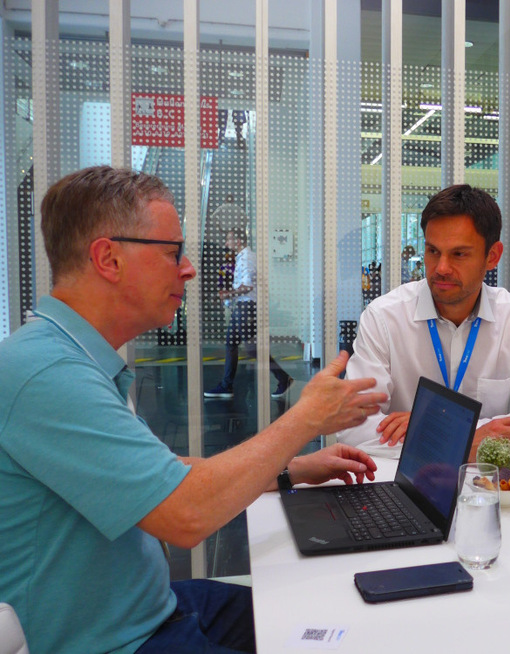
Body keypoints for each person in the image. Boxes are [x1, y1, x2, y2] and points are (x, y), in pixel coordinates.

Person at [0, 166, 387, 653]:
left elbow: (158, 478)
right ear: (109, 259)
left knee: (334, 626)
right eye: (171, 253)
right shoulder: (46, 373)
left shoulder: (70, 358)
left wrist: (291, 470)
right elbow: (185, 515)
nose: (188, 268)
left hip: (153, 606)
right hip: (115, 641)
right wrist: (305, 419)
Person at [336, 184, 510, 457]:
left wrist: (427, 430)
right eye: (433, 251)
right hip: (405, 486)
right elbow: (355, 427)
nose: (441, 268)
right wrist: (470, 437)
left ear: (492, 257)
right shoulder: (384, 318)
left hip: (487, 481)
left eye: (459, 254)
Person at [204, 227, 292, 399]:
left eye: (229, 239)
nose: (226, 243)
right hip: (242, 307)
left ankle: (283, 378)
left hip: (247, 307)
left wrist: (226, 294)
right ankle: (226, 385)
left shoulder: (247, 258)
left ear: (237, 241)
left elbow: (247, 287)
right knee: (232, 344)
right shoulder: (241, 258)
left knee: (252, 349)